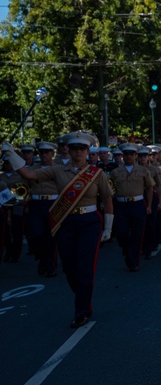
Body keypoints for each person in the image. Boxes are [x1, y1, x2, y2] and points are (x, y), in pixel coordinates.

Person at [4, 131, 115, 328]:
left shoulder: (96, 174)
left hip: (89, 222)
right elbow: (29, 174)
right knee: (70, 268)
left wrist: (108, 226)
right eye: (74, 149)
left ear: (88, 151)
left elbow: (107, 199)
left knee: (84, 268)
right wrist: (11, 154)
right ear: (69, 151)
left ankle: (81, 311)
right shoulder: (57, 171)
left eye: (82, 149)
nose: (78, 152)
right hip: (66, 223)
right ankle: (82, 295)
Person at [108, 143, 154, 272]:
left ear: (136, 156)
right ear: (123, 156)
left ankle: (133, 262)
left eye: (131, 154)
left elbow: (150, 187)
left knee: (137, 234)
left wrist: (149, 205)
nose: (128, 157)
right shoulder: (115, 172)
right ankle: (126, 249)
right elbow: (110, 190)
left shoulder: (143, 171)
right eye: (126, 154)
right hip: (121, 205)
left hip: (138, 204)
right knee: (121, 233)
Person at [25, 141, 59, 277]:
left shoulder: (59, 169)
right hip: (36, 204)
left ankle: (49, 266)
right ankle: (42, 259)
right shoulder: (32, 169)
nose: (44, 155)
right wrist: (26, 203)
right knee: (36, 234)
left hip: (53, 203)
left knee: (51, 237)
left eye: (47, 152)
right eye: (41, 152)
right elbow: (26, 187)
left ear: (52, 154)